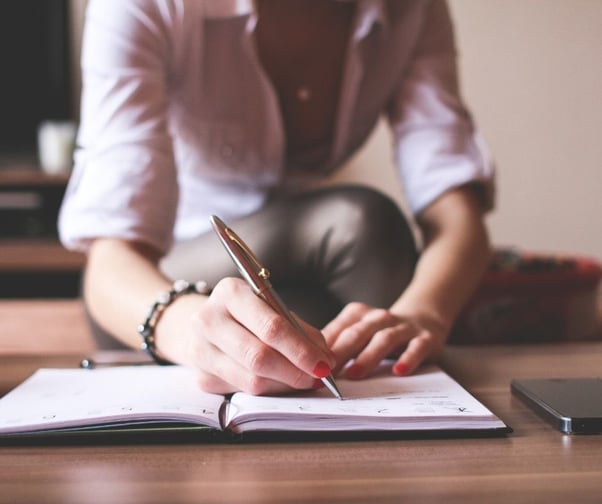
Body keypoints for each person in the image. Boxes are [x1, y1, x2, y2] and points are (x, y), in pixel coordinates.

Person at [58, 0, 495, 396]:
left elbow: (456, 213)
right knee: (362, 225)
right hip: (157, 300)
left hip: (303, 284)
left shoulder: (411, 10)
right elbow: (110, 264)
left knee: (340, 322)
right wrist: (192, 332)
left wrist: (425, 315)